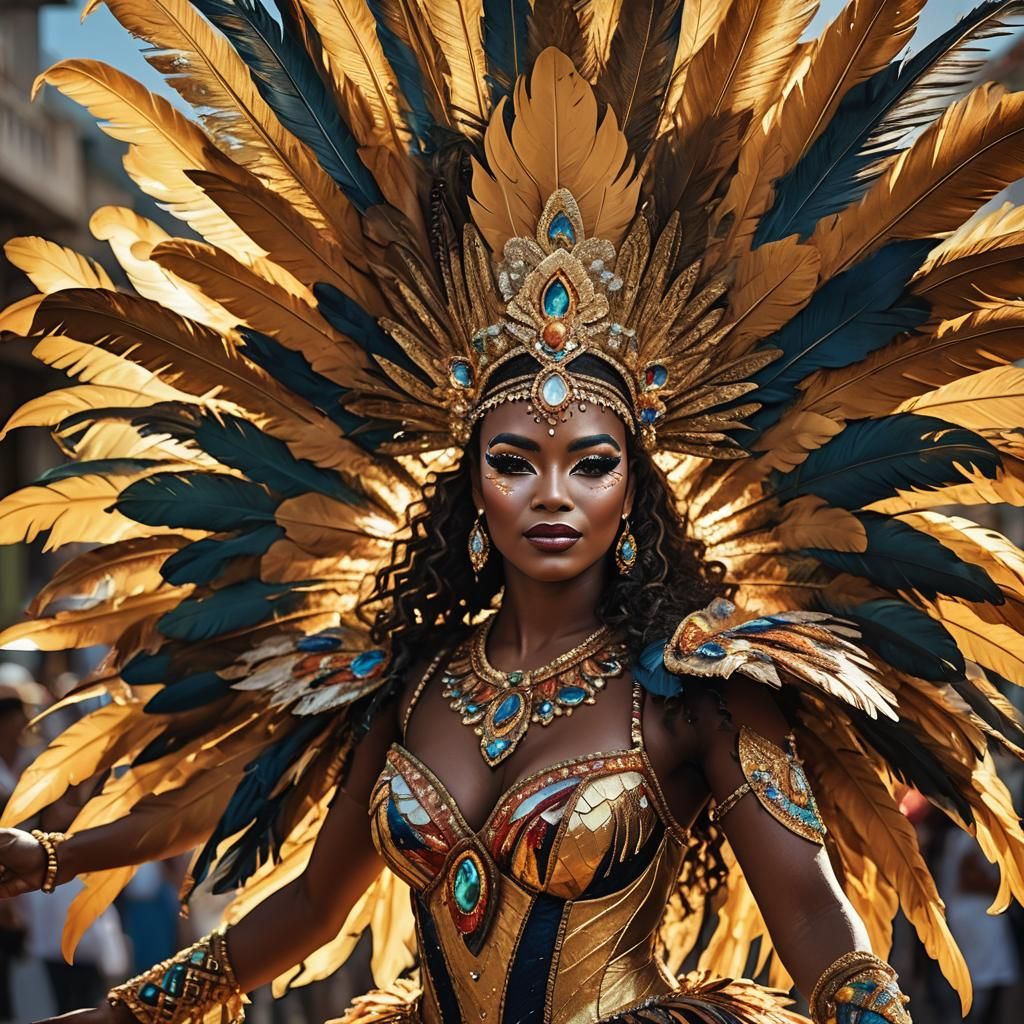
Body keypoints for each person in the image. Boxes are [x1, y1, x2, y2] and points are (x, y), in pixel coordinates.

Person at [0, 3, 1023, 1024]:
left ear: (632, 489)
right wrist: (120, 1009)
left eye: (588, 464)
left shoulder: (698, 687)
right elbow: (312, 905)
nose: (550, 494)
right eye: (513, 461)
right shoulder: (408, 677)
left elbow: (807, 910)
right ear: (469, 487)